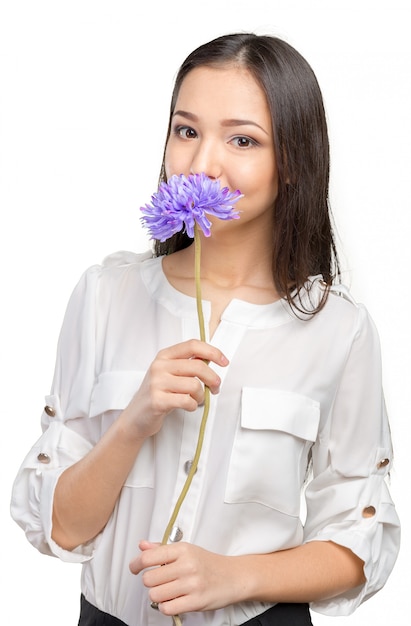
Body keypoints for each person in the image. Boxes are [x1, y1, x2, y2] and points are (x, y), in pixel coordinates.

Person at [10, 32, 400, 626]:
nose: (200, 163)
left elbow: (359, 542)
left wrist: (233, 576)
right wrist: (133, 422)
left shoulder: (338, 330)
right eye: (186, 130)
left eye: (242, 139)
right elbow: (59, 528)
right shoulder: (104, 296)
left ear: (292, 162)